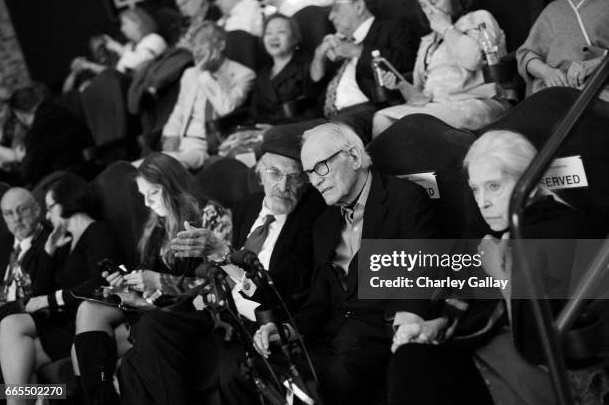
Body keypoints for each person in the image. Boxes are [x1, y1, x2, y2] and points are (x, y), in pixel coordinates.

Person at [387, 130, 608, 405]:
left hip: (539, 371)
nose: (483, 203)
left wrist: (500, 275)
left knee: (415, 368)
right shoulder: (481, 229)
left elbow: (539, 343)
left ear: (529, 181)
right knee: (409, 357)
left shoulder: (561, 229)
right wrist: (436, 325)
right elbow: (463, 299)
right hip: (481, 352)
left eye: (494, 186)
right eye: (475, 189)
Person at [254, 122, 438, 405]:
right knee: (259, 372)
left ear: (353, 157)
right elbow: (319, 300)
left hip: (380, 331)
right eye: (309, 173)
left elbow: (425, 269)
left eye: (321, 167)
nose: (315, 181)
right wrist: (286, 329)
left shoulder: (403, 199)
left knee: (329, 381)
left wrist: (409, 318)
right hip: (332, 334)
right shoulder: (325, 223)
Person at [171, 125, 326, 405]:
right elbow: (221, 274)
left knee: (231, 370)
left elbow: (281, 289)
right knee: (152, 329)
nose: (283, 186)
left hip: (261, 319)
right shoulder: (246, 207)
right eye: (275, 173)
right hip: (224, 310)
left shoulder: (312, 219)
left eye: (295, 178)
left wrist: (223, 255)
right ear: (259, 172)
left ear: (306, 181)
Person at [73, 153, 231, 405]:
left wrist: (158, 281)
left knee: (104, 353)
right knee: (87, 314)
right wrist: (133, 290)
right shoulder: (157, 224)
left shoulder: (209, 213)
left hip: (196, 309)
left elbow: (220, 281)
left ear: (172, 186)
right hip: (160, 306)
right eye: (142, 195)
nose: (146, 203)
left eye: (153, 193)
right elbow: (152, 281)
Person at [0, 175, 118, 405]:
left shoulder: (98, 231)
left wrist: (49, 301)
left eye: (50, 207)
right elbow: (41, 288)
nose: (47, 215)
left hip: (84, 321)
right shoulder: (65, 240)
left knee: (11, 324)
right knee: (16, 345)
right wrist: (48, 252)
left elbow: (100, 283)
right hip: (61, 321)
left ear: (66, 203)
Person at [372, 0, 511, 137]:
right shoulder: (428, 41)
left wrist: (446, 28)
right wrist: (400, 85)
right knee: (382, 119)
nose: (430, 10)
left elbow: (474, 59)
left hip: (476, 101)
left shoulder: (478, 18)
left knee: (413, 123)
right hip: (435, 106)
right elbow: (420, 96)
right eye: (424, 5)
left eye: (434, 1)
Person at [310, 0, 418, 142]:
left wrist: (357, 51)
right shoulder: (337, 43)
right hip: (327, 116)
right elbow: (312, 90)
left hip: (369, 109)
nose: (330, 17)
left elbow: (406, 62)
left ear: (359, 6)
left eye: (336, 8)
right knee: (275, 135)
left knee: (327, 136)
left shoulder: (392, 28)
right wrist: (319, 53)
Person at [156, 21, 256, 170]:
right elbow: (179, 111)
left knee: (164, 168)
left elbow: (226, 108)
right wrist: (171, 135)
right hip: (180, 142)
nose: (196, 50)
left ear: (220, 45)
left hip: (208, 144)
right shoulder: (190, 74)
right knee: (138, 170)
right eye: (194, 45)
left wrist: (204, 74)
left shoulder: (244, 74)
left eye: (202, 43)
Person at [516, 0, 609, 102]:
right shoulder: (552, 10)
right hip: (551, 90)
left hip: (596, 87)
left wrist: (595, 64)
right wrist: (546, 72)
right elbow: (526, 54)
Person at [7, 84, 93, 186]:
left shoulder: (36, 131)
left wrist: (20, 159)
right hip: (90, 169)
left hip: (65, 184)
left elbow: (28, 175)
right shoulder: (62, 110)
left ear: (20, 114)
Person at [248, 14, 321, 124]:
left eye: (281, 32)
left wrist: (275, 129)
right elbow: (254, 115)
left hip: (296, 130)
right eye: (268, 33)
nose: (273, 37)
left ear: (295, 38)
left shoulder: (308, 66)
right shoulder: (262, 75)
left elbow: (315, 109)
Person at [69, 7, 167, 77]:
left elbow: (136, 63)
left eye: (124, 24)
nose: (122, 29)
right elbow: (116, 74)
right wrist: (89, 65)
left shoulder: (154, 39)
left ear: (138, 23)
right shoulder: (129, 47)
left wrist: (117, 48)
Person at [0, 188, 52, 304]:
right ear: (4, 218)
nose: (16, 218)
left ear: (36, 209)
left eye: (22, 210)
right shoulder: (2, 245)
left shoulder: (52, 241)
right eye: (9, 213)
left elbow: (42, 290)